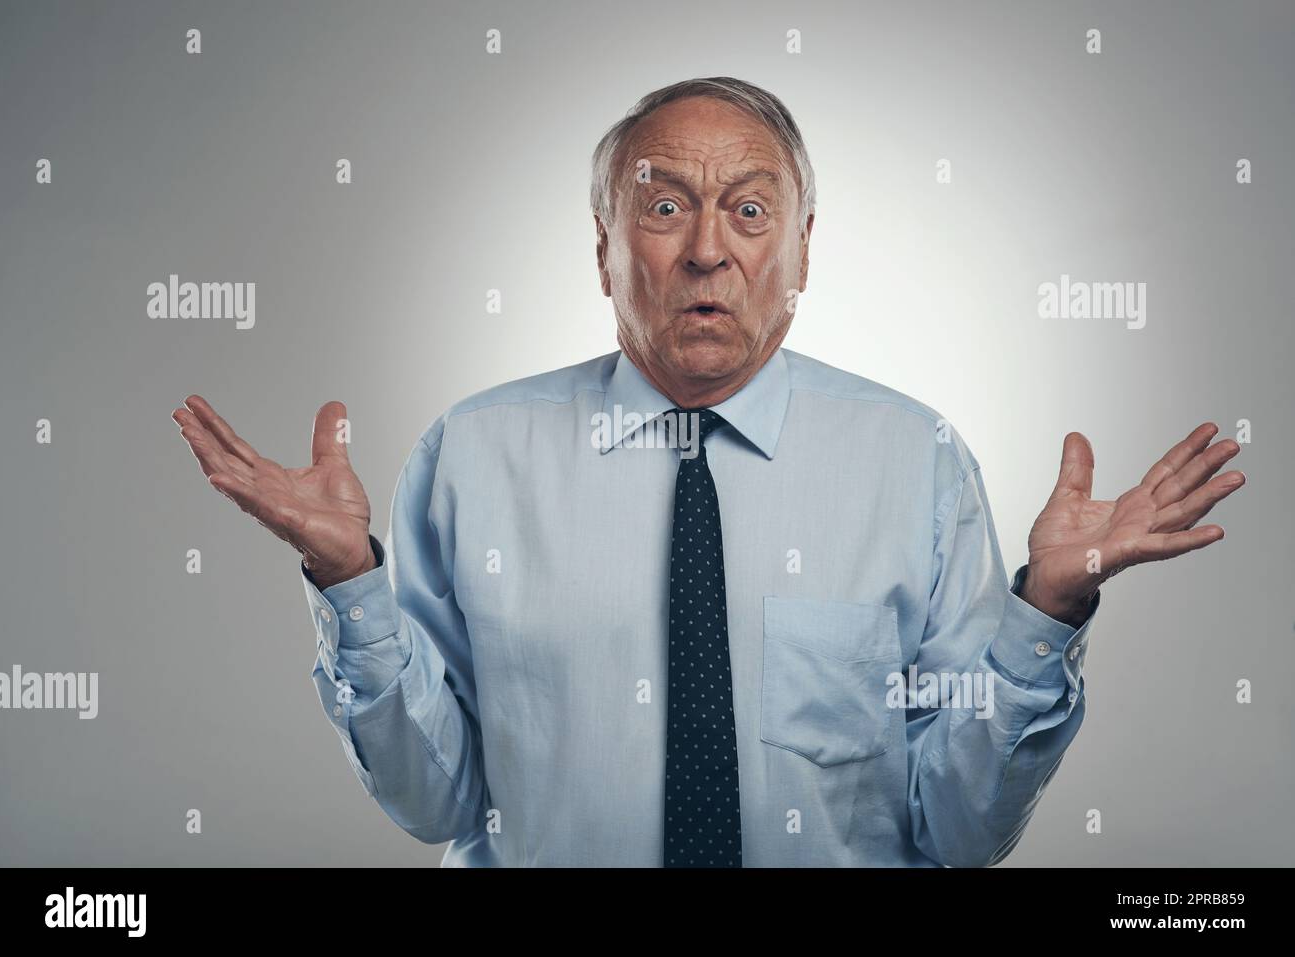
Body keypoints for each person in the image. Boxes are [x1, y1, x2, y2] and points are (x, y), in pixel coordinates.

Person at [172, 76, 1245, 867]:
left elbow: (956, 831)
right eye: (663, 204)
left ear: (803, 251)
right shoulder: (473, 455)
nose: (706, 252)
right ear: (602, 248)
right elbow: (434, 801)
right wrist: (353, 583)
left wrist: (1045, 609)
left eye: (748, 209)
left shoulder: (912, 461)